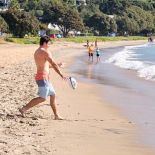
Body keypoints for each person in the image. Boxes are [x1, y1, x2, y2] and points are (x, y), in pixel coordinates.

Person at [19, 36, 67, 120]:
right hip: (42, 78)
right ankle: (24, 109)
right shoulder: (45, 52)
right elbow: (53, 64)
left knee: (53, 95)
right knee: (42, 98)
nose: (50, 45)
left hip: (45, 78)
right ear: (45, 43)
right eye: (49, 43)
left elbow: (46, 65)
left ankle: (56, 115)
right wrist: (61, 74)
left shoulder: (38, 51)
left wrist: (58, 65)